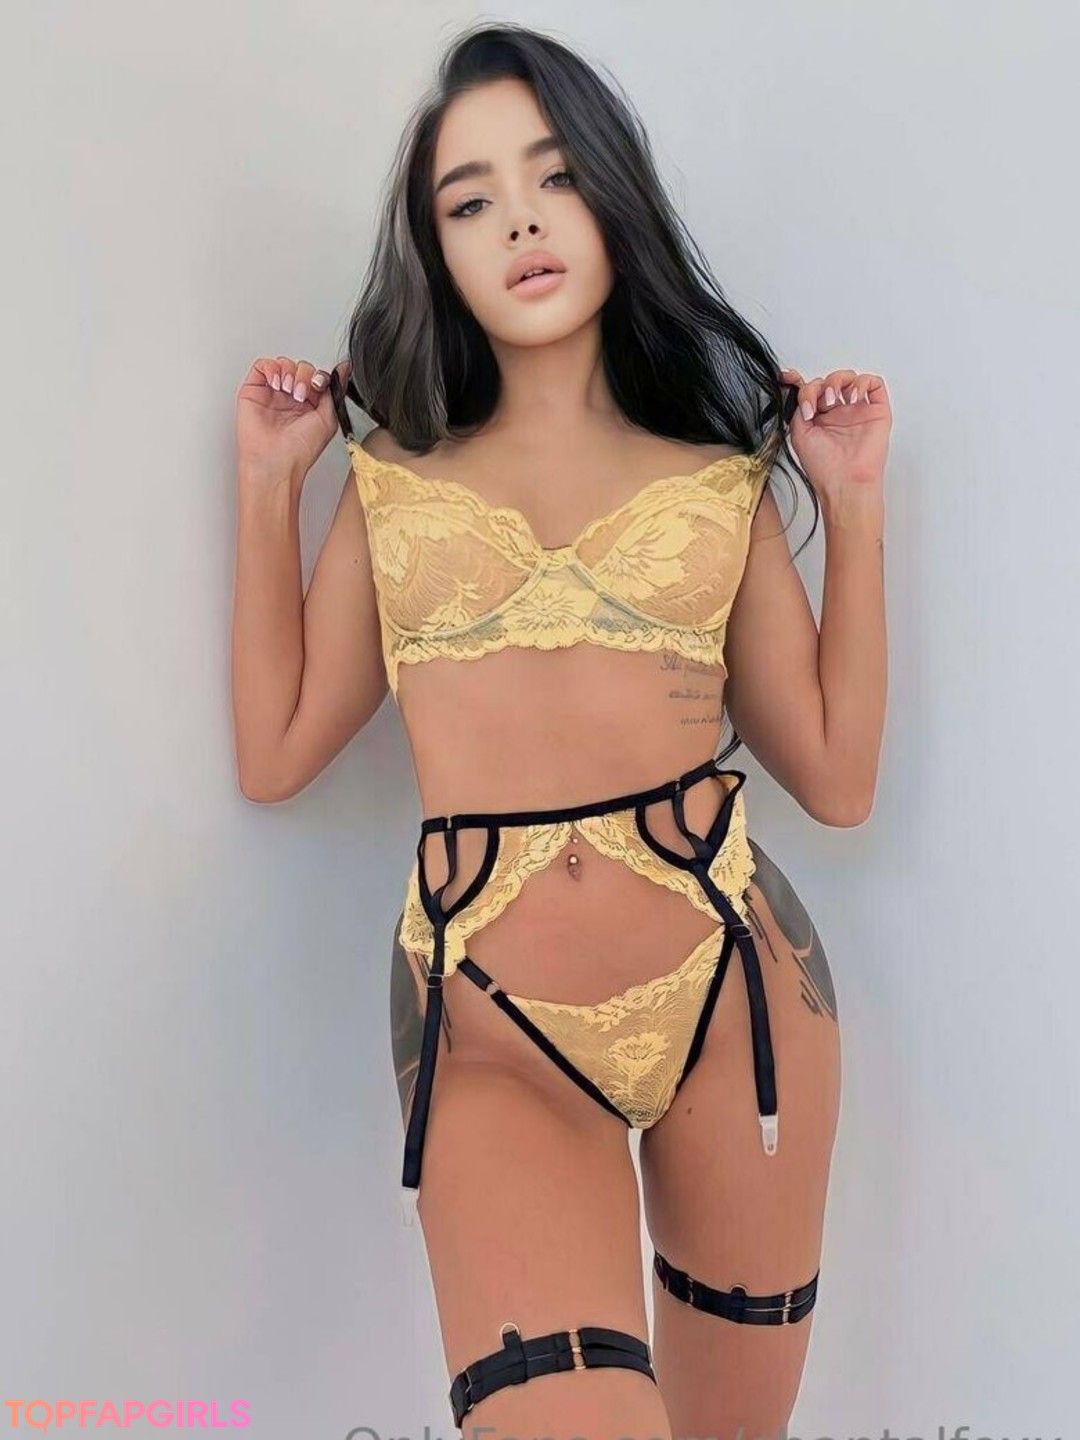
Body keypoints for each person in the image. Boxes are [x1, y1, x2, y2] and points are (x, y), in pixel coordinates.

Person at [231, 20, 889, 1440]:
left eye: (553, 177)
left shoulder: (717, 480)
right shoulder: (389, 486)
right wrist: (269, 488)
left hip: (737, 995)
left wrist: (852, 507)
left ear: (610, 192)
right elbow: (275, 752)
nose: (521, 220)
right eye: (471, 202)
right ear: (438, 252)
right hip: (489, 1026)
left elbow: (837, 779)